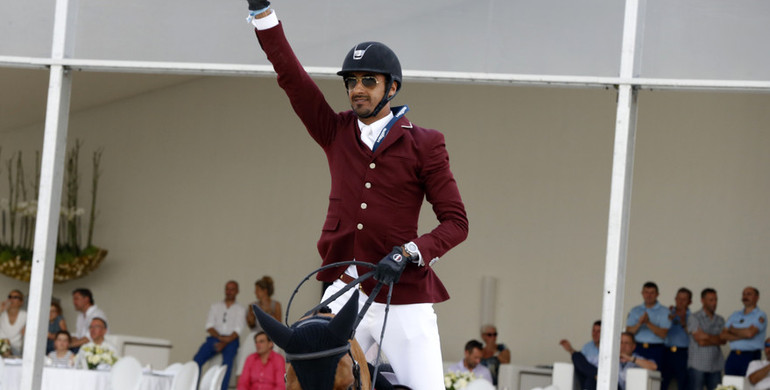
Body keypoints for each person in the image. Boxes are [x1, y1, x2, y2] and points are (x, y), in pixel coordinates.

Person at [245, 1, 468, 388]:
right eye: (351, 81)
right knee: (305, 374)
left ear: (391, 87)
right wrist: (263, 13)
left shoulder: (425, 144)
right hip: (344, 290)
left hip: (404, 296)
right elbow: (292, 78)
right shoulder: (335, 131)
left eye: (368, 80)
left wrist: (408, 252)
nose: (357, 89)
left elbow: (457, 223)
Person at [194, 280, 247, 390]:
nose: (229, 292)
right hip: (215, 338)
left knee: (226, 365)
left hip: (231, 340)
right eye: (227, 289)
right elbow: (209, 326)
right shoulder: (215, 306)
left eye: (232, 289)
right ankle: (193, 386)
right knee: (197, 360)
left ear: (237, 291)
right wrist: (220, 339)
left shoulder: (241, 309)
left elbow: (238, 330)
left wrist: (224, 342)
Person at [573, 332, 658, 390]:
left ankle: (599, 376)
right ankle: (598, 375)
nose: (623, 346)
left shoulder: (637, 359)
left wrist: (630, 359)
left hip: (617, 387)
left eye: (626, 343)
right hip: (601, 385)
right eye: (620, 342)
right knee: (579, 359)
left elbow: (654, 366)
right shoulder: (607, 357)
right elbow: (580, 360)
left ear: (633, 346)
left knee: (594, 380)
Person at [721, 286, 767, 376]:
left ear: (757, 297)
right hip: (734, 355)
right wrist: (744, 334)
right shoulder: (735, 315)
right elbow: (723, 335)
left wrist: (732, 329)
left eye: (749, 294)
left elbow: (750, 333)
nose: (745, 297)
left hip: (751, 356)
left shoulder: (760, 315)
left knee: (748, 386)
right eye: (744, 294)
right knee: (731, 385)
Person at [687, 288, 726, 390]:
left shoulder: (720, 320)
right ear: (702, 300)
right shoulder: (694, 317)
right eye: (711, 300)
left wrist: (706, 336)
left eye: (716, 300)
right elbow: (700, 341)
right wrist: (716, 338)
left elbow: (723, 340)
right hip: (698, 365)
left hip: (716, 365)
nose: (714, 303)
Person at [626, 281, 671, 366]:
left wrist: (648, 323)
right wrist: (639, 323)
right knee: (636, 374)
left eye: (652, 293)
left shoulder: (665, 311)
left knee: (655, 375)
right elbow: (629, 333)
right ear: (642, 293)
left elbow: (663, 334)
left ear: (657, 294)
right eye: (646, 292)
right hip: (638, 348)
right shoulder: (635, 310)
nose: (649, 295)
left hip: (656, 349)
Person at [662, 287, 692, 390]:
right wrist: (668, 318)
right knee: (662, 382)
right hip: (666, 352)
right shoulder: (667, 313)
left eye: (684, 299)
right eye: (678, 299)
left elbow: (694, 335)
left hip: (683, 354)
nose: (680, 302)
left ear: (690, 302)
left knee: (683, 383)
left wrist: (683, 321)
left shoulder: (693, 317)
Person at [560, 320, 601, 389]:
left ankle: (597, 375)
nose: (595, 334)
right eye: (593, 331)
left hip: (603, 381)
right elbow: (581, 362)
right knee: (576, 356)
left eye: (598, 331)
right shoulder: (587, 347)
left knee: (590, 380)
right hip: (591, 379)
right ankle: (596, 375)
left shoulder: (610, 348)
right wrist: (570, 349)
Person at [0, 289, 27, 356]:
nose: (12, 299)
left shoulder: (25, 315)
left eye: (15, 297)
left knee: (5, 344)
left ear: (21, 302)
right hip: (1, 346)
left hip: (15, 350)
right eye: (10, 297)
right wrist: (1, 309)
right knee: (4, 343)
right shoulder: (2, 313)